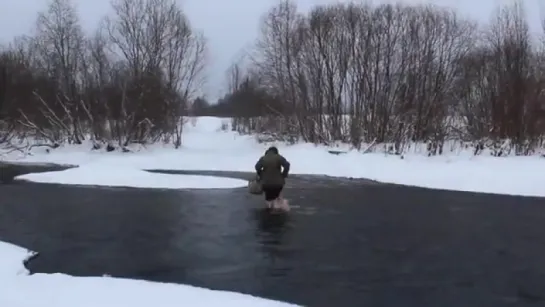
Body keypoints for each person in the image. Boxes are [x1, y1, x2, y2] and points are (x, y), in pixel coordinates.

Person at [255, 146, 290, 211]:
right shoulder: (278, 157)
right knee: (277, 196)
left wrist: (261, 174)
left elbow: (257, 167)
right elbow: (287, 165)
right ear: (276, 152)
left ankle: (269, 210)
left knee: (268, 197)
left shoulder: (263, 158)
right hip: (278, 184)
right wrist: (284, 174)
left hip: (266, 184)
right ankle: (278, 209)